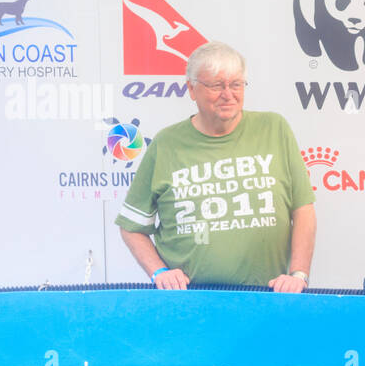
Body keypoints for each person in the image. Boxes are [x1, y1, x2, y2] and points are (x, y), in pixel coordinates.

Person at [116, 41, 317, 291]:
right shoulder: (166, 144)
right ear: (191, 88)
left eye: (236, 84)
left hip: (266, 297)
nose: (228, 94)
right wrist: (159, 272)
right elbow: (131, 227)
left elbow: (303, 210)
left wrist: (298, 274)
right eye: (216, 85)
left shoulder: (274, 129)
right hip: (189, 301)